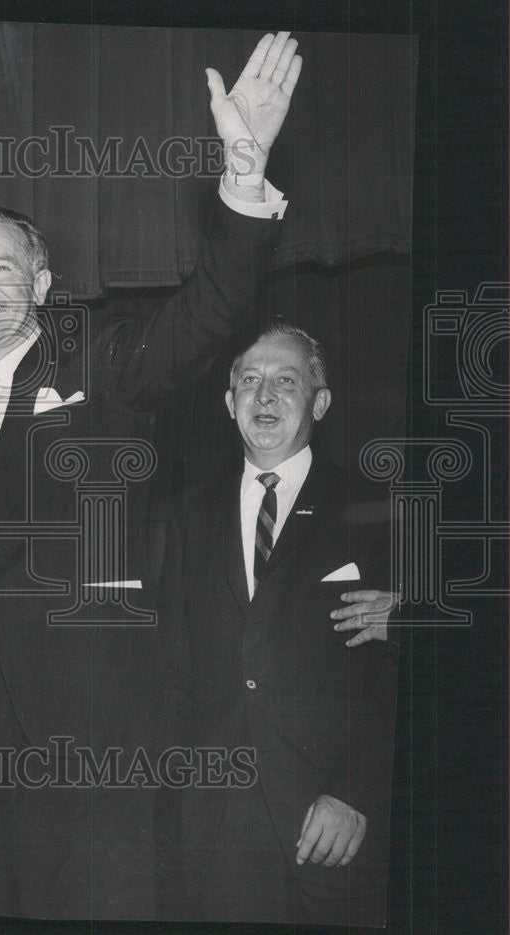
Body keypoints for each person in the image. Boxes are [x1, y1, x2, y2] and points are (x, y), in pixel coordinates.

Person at [0, 31, 361, 920]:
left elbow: (209, 313)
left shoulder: (102, 364)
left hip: (94, 744)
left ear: (43, 282)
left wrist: (243, 169)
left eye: (1, 268)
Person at [157, 324, 398, 925]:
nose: (264, 397)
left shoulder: (379, 506)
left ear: (319, 401)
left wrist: (355, 791)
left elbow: (395, 674)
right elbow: (173, 668)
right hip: (214, 828)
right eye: (249, 381)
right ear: (228, 401)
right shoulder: (187, 511)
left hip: (327, 818)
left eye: (285, 381)